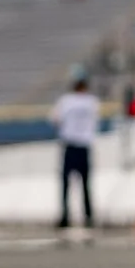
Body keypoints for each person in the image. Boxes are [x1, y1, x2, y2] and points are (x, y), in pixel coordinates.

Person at [52, 73, 99, 229]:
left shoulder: (66, 101)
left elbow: (56, 120)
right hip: (84, 145)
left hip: (70, 145)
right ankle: (88, 216)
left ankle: (65, 216)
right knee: (86, 184)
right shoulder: (92, 101)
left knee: (66, 184)